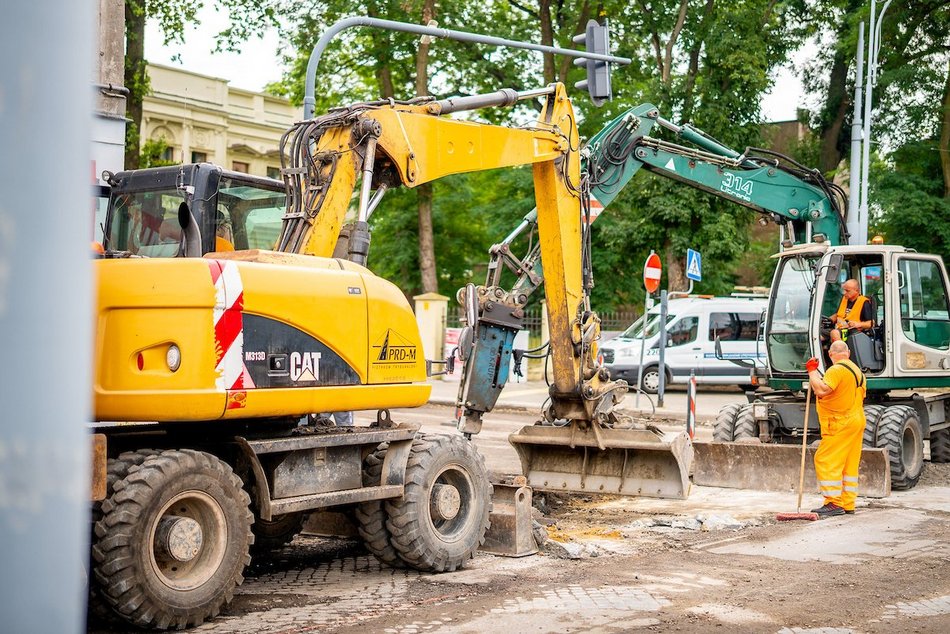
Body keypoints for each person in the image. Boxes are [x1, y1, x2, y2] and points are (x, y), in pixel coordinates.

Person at [805, 340, 867, 518]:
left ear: (830, 355)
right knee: (848, 464)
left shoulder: (836, 370)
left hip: (840, 422)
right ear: (848, 353)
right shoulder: (857, 371)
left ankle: (833, 503)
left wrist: (811, 371)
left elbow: (822, 390)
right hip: (856, 420)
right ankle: (848, 503)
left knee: (825, 459)